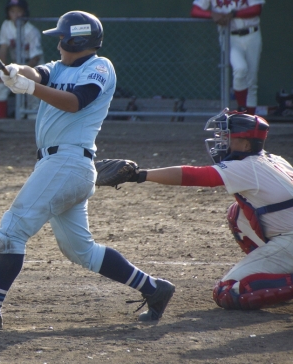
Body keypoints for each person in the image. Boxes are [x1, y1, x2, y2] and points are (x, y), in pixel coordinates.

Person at [0, 11, 175, 330]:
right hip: (59, 166)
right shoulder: (58, 67)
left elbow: (75, 101)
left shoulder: (100, 66)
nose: (58, 45)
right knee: (82, 251)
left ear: (76, 40)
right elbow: (37, 73)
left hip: (68, 162)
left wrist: (29, 88)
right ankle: (154, 288)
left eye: (62, 39)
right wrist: (16, 71)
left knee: (12, 230)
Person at [124, 109, 293, 310]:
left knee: (227, 291)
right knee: (237, 214)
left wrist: (140, 175)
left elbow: (194, 176)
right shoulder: (274, 159)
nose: (222, 142)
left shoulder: (247, 167)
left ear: (246, 145)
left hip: (289, 238)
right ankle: (276, 273)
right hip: (286, 234)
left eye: (228, 137)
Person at [191, 0, 265, 114]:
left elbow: (257, 9)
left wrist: (233, 14)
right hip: (229, 37)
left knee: (252, 80)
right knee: (240, 69)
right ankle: (242, 110)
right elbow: (195, 10)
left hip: (252, 34)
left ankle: (249, 120)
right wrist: (212, 14)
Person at [0, 0, 44, 119]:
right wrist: (3, 72)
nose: (16, 15)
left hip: (33, 68)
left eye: (19, 11)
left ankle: (31, 124)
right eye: (12, 11)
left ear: (25, 12)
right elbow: (3, 49)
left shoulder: (32, 31)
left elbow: (36, 58)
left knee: (32, 97)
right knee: (0, 88)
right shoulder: (6, 25)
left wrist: (21, 71)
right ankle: (1, 124)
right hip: (15, 66)